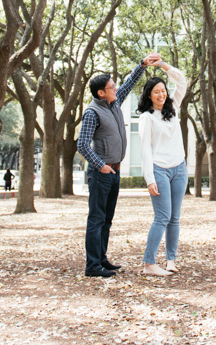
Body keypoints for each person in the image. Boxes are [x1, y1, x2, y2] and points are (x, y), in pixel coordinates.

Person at [78, 52, 161, 278]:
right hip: (101, 173)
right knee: (96, 219)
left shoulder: (113, 104)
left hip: (114, 172)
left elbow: (129, 82)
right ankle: (92, 266)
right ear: (100, 93)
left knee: (106, 219)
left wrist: (143, 64)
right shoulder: (92, 112)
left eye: (114, 86)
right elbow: (82, 145)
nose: (116, 89)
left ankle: (101, 259)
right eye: (111, 87)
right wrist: (101, 165)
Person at [137, 59, 188, 277]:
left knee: (174, 218)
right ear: (149, 95)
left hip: (179, 168)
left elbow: (182, 83)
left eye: (163, 90)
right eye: (156, 92)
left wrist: (163, 66)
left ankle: (171, 260)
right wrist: (149, 178)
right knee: (162, 217)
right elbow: (145, 149)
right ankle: (149, 263)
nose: (162, 95)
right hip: (159, 169)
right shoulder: (146, 118)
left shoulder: (173, 108)